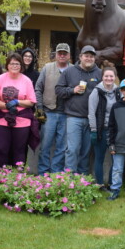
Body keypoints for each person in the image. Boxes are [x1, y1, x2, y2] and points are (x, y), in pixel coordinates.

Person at [55, 45, 102, 174]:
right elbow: (58, 90)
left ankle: (82, 180)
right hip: (73, 117)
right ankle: (69, 179)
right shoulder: (69, 72)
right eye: (86, 56)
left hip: (91, 119)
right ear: (80, 57)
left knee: (86, 151)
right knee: (72, 149)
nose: (89, 58)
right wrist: (72, 90)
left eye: (91, 56)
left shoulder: (99, 73)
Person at [0, 53, 37, 168]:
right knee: (2, 149)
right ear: (7, 65)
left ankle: (18, 178)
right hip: (3, 119)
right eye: (12, 63)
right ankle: (0, 178)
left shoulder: (26, 80)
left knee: (19, 150)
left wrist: (17, 102)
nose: (14, 66)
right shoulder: (0, 79)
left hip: (22, 120)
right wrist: (5, 106)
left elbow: (31, 101)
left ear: (21, 65)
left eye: (17, 63)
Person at [35, 43, 73, 175]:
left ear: (69, 55)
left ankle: (56, 173)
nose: (62, 55)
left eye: (65, 53)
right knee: (45, 145)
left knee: (62, 147)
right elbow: (38, 88)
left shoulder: (74, 69)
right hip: (48, 111)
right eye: (59, 53)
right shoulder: (47, 68)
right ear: (56, 55)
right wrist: (39, 109)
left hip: (67, 113)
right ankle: (43, 173)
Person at [88, 67, 120, 189]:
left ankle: (112, 183)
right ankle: (100, 183)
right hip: (101, 130)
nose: (109, 78)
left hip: (114, 131)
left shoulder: (118, 91)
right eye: (106, 76)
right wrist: (94, 130)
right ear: (102, 77)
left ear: (115, 77)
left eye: (111, 76)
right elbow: (91, 113)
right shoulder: (96, 92)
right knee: (99, 158)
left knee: (115, 158)